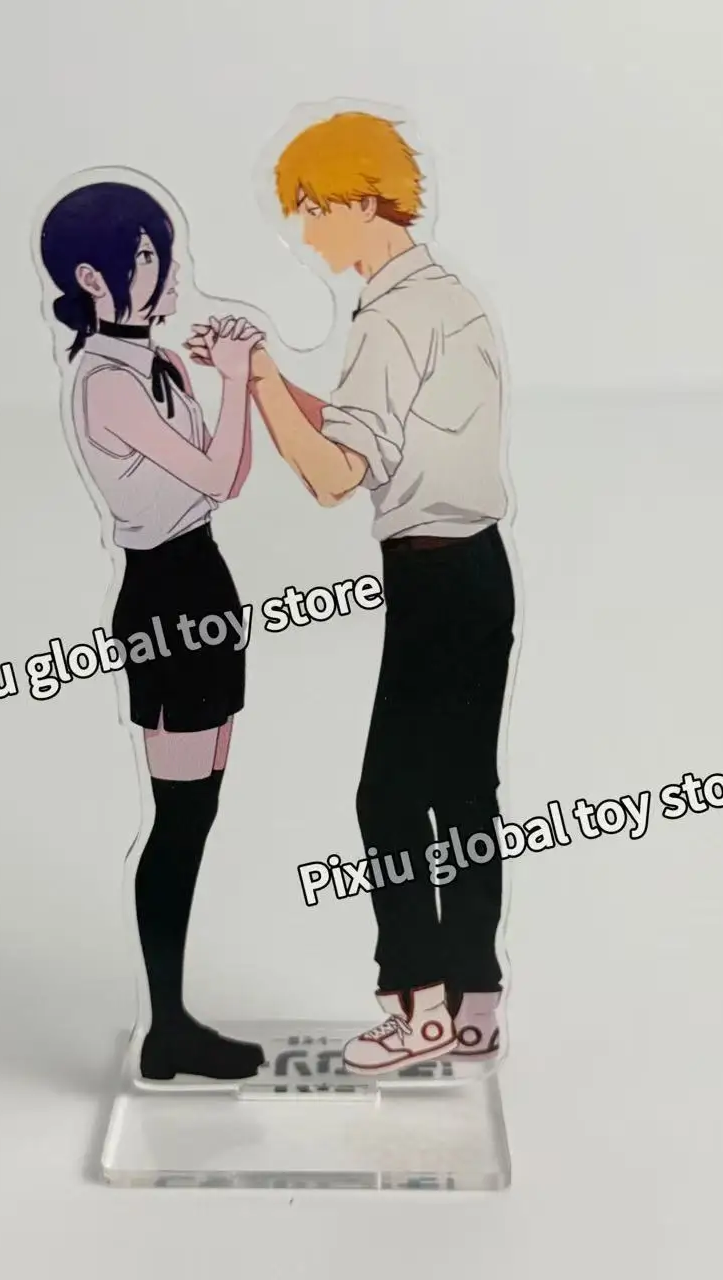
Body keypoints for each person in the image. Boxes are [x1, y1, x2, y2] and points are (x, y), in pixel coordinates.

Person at [188, 113, 516, 1076]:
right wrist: (271, 377)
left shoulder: (388, 318)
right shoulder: (447, 299)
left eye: (314, 210)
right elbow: (379, 429)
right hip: (480, 568)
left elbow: (336, 474)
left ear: (364, 201)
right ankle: (475, 1004)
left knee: (389, 798)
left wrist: (254, 385)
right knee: (464, 794)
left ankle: (415, 1010)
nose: (304, 233)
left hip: (430, 575)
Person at [38, 181, 267, 1081]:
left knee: (199, 810)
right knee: (176, 821)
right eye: (146, 255)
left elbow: (222, 478)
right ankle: (166, 1025)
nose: (169, 269)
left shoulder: (158, 361)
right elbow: (216, 477)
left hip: (207, 580)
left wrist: (230, 383)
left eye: (164, 249)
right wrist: (238, 380)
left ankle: (175, 1021)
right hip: (166, 597)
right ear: (93, 279)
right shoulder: (104, 382)